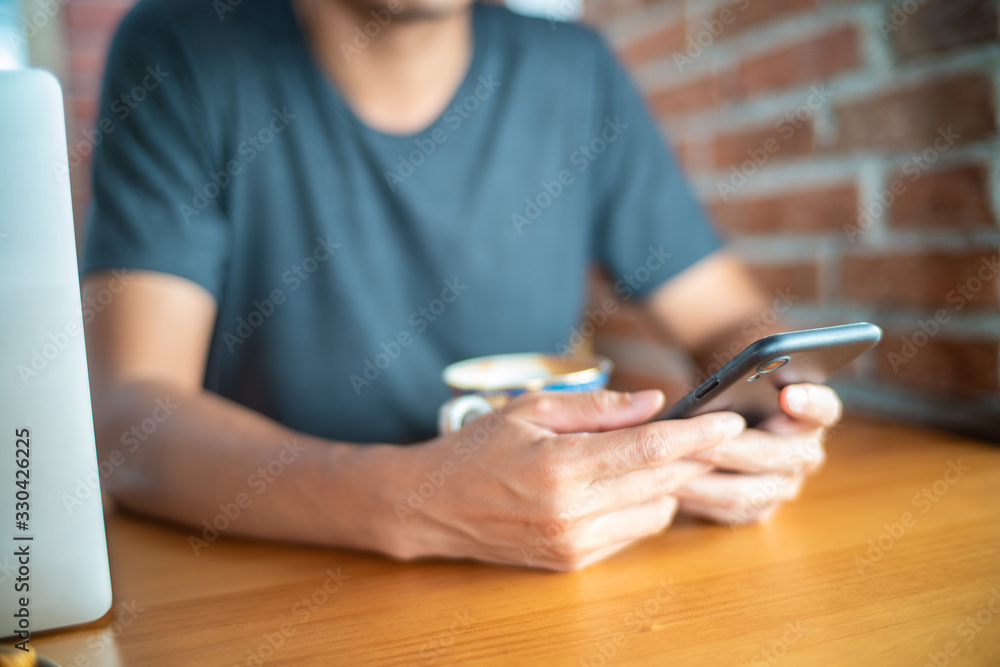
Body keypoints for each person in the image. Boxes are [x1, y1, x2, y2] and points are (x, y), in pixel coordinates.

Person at [81, 0, 840, 571]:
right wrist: (412, 501)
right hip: (266, 577)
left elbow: (730, 318)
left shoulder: (574, 71)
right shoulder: (182, 47)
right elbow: (130, 419)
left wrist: (774, 397)